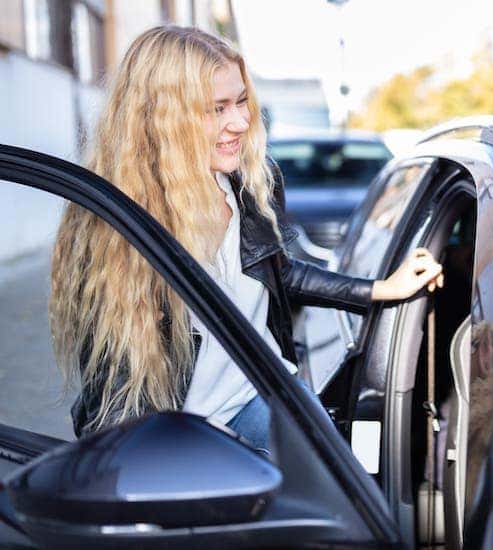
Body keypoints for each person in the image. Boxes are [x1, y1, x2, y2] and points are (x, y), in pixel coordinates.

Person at [49, 26, 444, 450]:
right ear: (161, 116)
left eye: (240, 102)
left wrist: (380, 289)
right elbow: (119, 390)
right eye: (216, 108)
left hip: (261, 392)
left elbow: (279, 273)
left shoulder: (247, 185)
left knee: (342, 486)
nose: (240, 121)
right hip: (181, 430)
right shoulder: (115, 224)